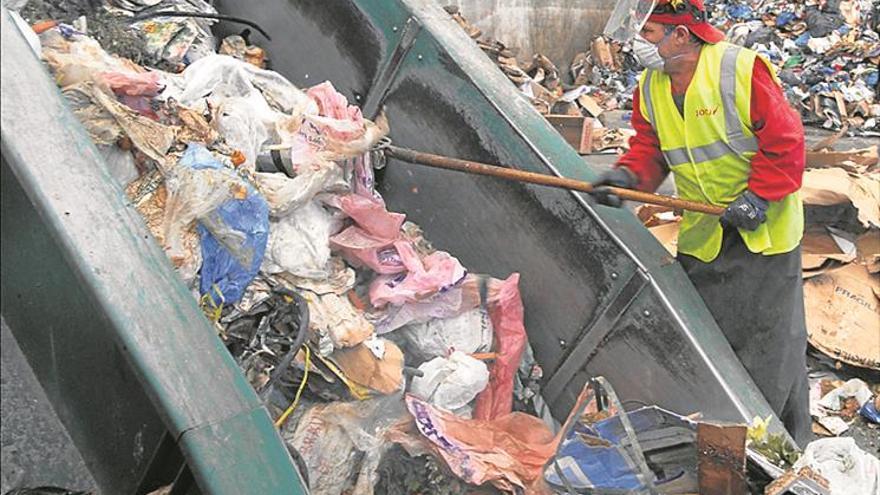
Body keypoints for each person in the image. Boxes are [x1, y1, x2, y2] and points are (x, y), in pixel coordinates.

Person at [593, 0, 811, 446]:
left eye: (650, 33)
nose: (642, 44)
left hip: (762, 235)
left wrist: (759, 197)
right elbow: (651, 147)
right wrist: (628, 175)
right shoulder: (652, 86)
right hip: (704, 234)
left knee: (769, 350)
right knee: (711, 346)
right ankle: (720, 438)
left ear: (681, 35)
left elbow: (786, 144)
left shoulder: (738, 70)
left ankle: (776, 448)